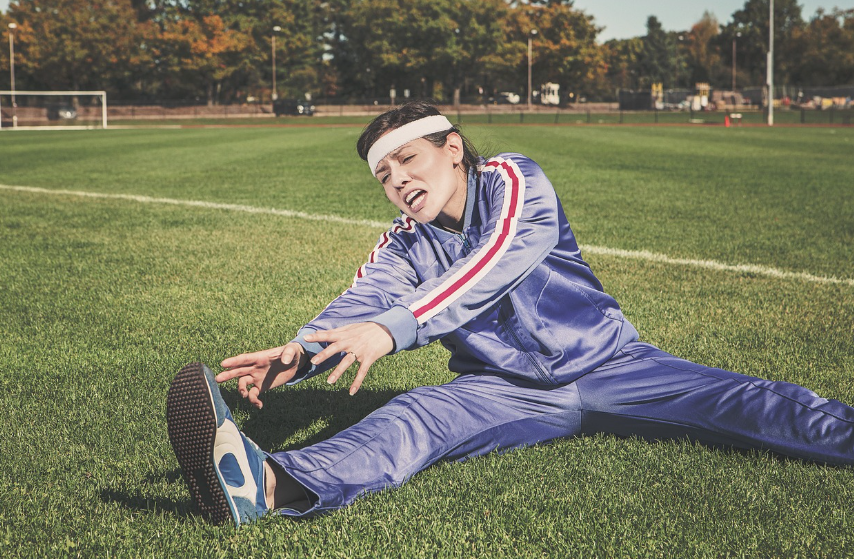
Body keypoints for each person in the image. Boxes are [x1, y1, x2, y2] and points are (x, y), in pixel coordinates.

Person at [166, 101, 854, 527]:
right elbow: (361, 303)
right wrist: (302, 351)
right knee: (410, 418)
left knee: (752, 403)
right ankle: (267, 483)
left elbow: (494, 264)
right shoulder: (402, 244)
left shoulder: (516, 182)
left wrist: (395, 327)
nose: (400, 181)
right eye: (384, 175)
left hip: (614, 364)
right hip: (503, 391)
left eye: (409, 160)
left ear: (452, 149)